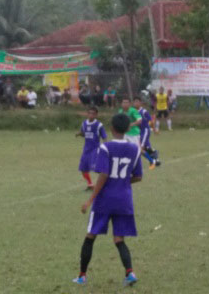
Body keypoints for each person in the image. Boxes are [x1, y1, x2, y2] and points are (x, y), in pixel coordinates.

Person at [73, 113, 142, 287]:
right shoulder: (135, 149)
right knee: (119, 239)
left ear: (111, 128)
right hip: (124, 200)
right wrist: (123, 181)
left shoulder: (105, 148)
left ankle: (82, 276)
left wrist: (90, 200)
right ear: (128, 128)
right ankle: (130, 273)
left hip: (105, 200)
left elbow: (103, 174)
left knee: (90, 236)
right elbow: (138, 176)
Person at [75, 107, 107, 190]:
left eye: (93, 113)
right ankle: (90, 185)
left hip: (96, 150)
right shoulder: (84, 123)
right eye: (89, 113)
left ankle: (105, 184)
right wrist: (79, 134)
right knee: (83, 168)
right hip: (86, 150)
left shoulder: (99, 125)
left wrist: (106, 147)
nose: (91, 115)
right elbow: (84, 133)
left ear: (96, 115)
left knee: (98, 169)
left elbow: (104, 137)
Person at [134, 97, 160, 170]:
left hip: (145, 131)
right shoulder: (134, 111)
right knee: (146, 148)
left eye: (137, 102)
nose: (136, 103)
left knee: (140, 148)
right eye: (134, 102)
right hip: (139, 132)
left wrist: (154, 129)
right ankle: (155, 155)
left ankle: (152, 162)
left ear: (140, 103)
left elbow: (151, 121)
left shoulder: (144, 111)